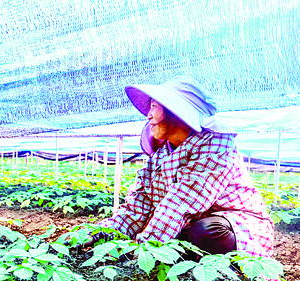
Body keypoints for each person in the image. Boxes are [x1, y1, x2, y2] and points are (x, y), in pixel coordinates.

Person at [92, 76, 273, 257]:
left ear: (175, 111)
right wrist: (97, 234)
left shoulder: (216, 145)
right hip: (189, 224)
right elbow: (137, 208)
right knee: (184, 234)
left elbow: (181, 202)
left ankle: (236, 268)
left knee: (205, 232)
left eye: (154, 107)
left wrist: (145, 251)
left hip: (237, 224)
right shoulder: (159, 156)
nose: (148, 115)